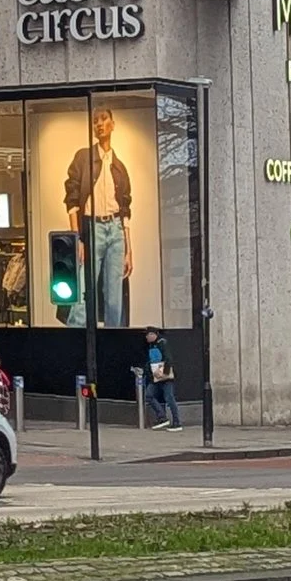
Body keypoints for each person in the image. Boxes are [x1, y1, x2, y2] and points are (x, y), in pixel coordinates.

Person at [65, 108, 135, 327]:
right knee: (84, 290)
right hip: (92, 227)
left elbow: (125, 209)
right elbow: (72, 200)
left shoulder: (119, 167)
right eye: (95, 121)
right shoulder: (83, 158)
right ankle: (77, 345)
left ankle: (112, 346)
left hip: (115, 229)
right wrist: (78, 239)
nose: (99, 124)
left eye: (103, 119)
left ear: (113, 124)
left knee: (114, 296)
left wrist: (129, 249)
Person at [142, 328, 182, 429]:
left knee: (169, 397)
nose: (146, 337)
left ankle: (177, 422)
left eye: (147, 335)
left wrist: (164, 373)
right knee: (149, 395)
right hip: (155, 377)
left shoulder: (162, 343)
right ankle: (162, 417)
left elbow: (168, 359)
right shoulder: (152, 345)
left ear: (153, 334)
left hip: (164, 377)